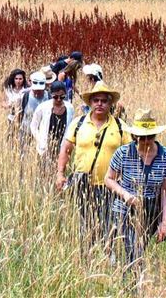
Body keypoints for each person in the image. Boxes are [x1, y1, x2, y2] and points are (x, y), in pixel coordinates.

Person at [56, 82, 129, 247]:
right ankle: (86, 256)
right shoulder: (78, 124)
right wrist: (60, 173)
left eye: (104, 101)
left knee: (109, 223)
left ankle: (107, 255)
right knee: (85, 222)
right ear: (90, 103)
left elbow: (130, 155)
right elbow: (66, 149)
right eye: (96, 100)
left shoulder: (120, 126)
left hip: (111, 185)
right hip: (83, 183)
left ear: (111, 104)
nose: (100, 104)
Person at [105, 109, 166, 271]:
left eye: (150, 137)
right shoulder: (123, 153)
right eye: (142, 137)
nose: (146, 141)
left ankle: (129, 279)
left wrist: (164, 222)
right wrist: (125, 194)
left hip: (150, 209)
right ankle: (135, 285)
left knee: (140, 247)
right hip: (124, 207)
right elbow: (108, 179)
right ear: (135, 136)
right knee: (134, 249)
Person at [30, 80, 74, 170]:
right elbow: (33, 126)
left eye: (62, 97)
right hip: (45, 148)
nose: (58, 99)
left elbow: (71, 127)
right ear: (51, 94)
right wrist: (40, 141)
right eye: (55, 96)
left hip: (62, 148)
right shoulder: (43, 107)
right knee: (43, 174)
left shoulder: (70, 108)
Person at [17, 71, 50, 152]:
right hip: (26, 132)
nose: (38, 91)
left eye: (40, 89)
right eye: (36, 89)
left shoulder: (49, 97)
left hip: (43, 134)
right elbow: (19, 115)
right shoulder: (24, 96)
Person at [2, 69, 28, 138]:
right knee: (11, 135)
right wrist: (8, 105)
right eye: (16, 79)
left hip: (23, 117)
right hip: (11, 116)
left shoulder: (26, 90)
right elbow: (3, 102)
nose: (18, 81)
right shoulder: (9, 89)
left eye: (20, 79)